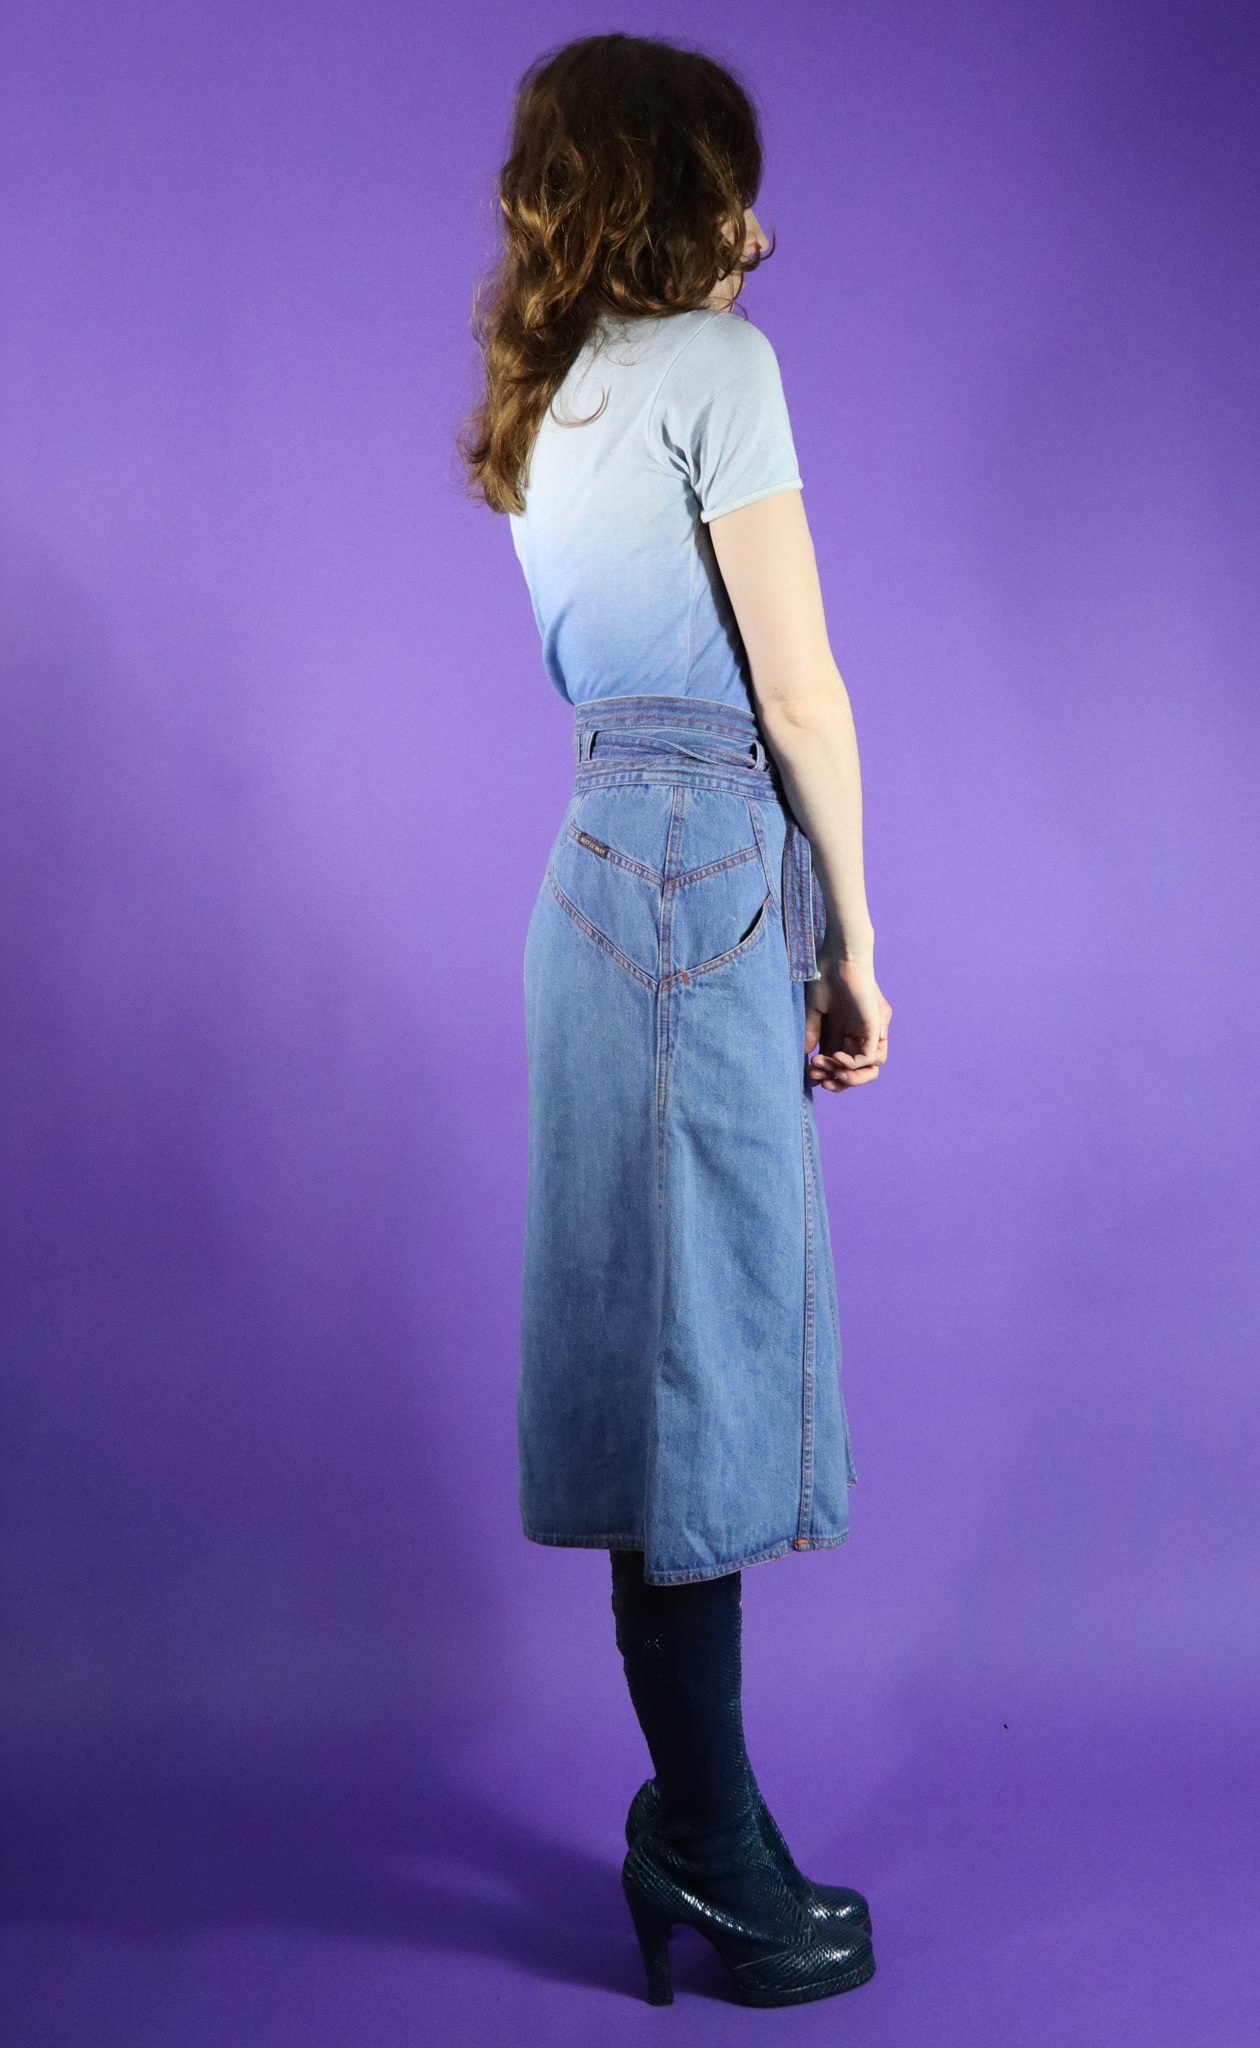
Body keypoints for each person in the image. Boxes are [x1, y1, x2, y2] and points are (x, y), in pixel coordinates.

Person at [459, 32, 890, 2009]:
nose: (763, 230)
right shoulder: (721, 369)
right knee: (698, 1373)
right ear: (676, 191)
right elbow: (794, 693)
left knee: (656, 1372)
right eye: (736, 188)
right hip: (703, 877)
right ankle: (708, 1838)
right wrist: (856, 939)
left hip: (590, 877)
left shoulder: (541, 401)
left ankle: (696, 1823)